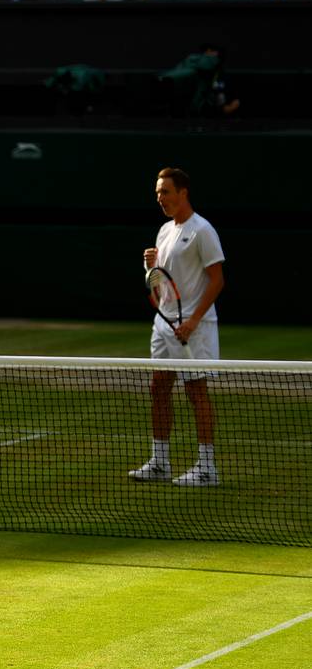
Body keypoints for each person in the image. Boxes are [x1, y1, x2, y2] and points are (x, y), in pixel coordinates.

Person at [129, 168, 225, 488]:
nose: (160, 198)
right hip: (165, 324)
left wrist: (193, 320)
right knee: (158, 389)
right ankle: (159, 461)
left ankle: (207, 467)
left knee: (196, 393)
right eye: (158, 193)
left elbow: (217, 280)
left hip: (194, 327)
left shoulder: (203, 231)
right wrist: (150, 266)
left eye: (166, 192)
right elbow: (158, 283)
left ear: (183, 192)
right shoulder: (164, 231)